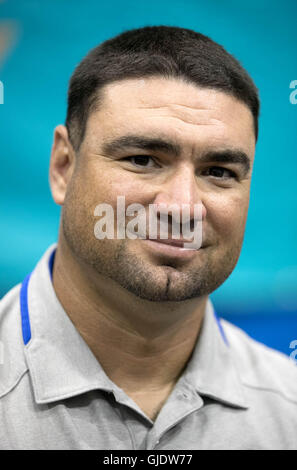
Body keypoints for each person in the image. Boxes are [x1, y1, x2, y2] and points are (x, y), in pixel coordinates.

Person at [0, 25, 296, 451]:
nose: (182, 207)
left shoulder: (289, 410)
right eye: (142, 159)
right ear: (64, 166)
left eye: (218, 172)